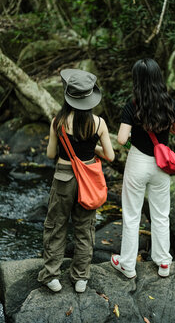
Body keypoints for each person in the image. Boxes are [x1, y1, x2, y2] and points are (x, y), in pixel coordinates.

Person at [38, 69, 114, 293]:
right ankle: (81, 277)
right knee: (84, 228)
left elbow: (51, 155)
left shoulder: (58, 122)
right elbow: (110, 156)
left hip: (63, 177)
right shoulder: (99, 123)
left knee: (55, 225)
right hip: (87, 180)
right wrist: (95, 148)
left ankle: (51, 275)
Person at [111, 58, 175, 279]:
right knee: (161, 214)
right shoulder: (169, 103)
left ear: (137, 80)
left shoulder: (132, 105)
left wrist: (135, 130)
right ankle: (163, 263)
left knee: (132, 215)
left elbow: (122, 139)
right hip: (162, 165)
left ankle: (127, 265)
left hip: (138, 162)